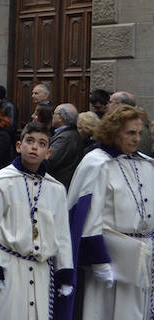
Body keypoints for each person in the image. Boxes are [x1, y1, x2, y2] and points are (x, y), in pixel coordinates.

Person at [0, 122, 74, 320]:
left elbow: (62, 235)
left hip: (42, 271)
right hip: (9, 267)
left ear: (48, 152)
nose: (35, 147)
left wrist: (65, 272)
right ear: (19, 146)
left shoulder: (57, 189)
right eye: (30, 141)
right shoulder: (1, 181)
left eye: (42, 143)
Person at [66, 104, 154, 319]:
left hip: (143, 256)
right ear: (114, 131)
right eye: (130, 133)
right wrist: (99, 260)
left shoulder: (146, 164)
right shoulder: (97, 163)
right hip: (110, 259)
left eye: (139, 133)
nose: (136, 139)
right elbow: (88, 215)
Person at [48, 103, 84, 189]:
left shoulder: (65, 138)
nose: (52, 116)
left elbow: (50, 160)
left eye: (54, 113)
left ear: (61, 118)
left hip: (58, 185)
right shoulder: (70, 134)